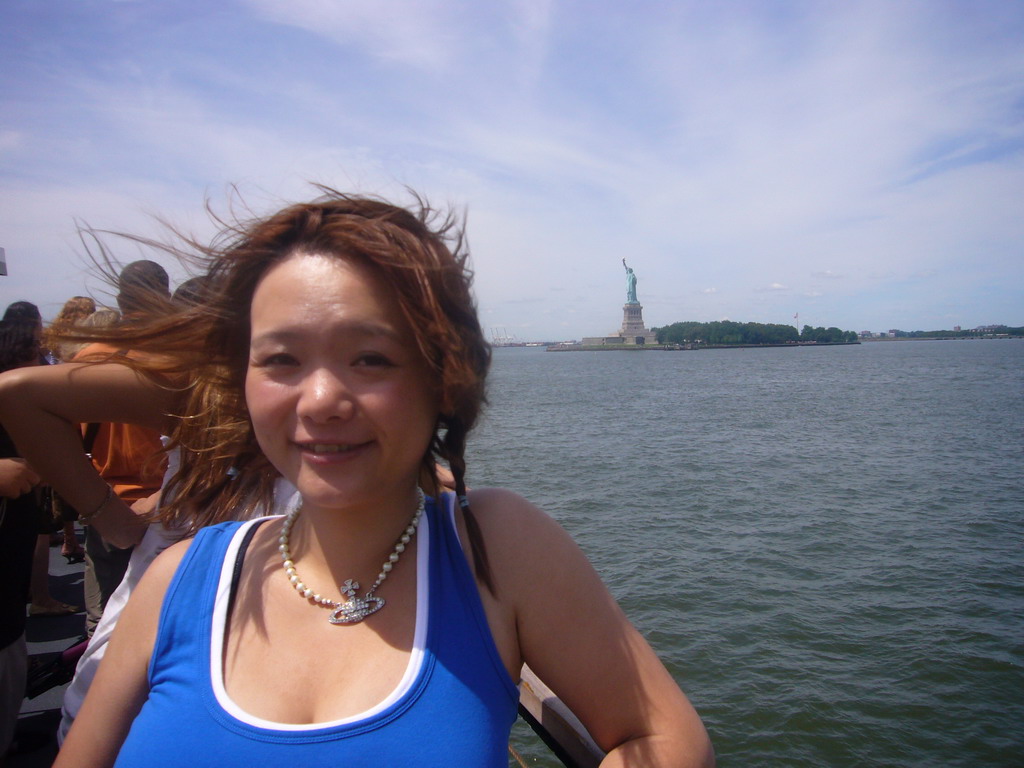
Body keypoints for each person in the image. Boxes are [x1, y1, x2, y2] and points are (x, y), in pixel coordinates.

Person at [1, 191, 714, 766]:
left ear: (443, 378)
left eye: (370, 359)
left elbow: (663, 738)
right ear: (239, 382)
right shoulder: (176, 582)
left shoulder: (497, 550)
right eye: (281, 360)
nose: (320, 400)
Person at [74, 264, 169, 637]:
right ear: (163, 296)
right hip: (166, 502)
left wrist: (91, 501)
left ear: (119, 298)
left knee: (104, 616)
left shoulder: (88, 358)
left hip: (103, 497)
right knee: (163, 613)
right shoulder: (177, 356)